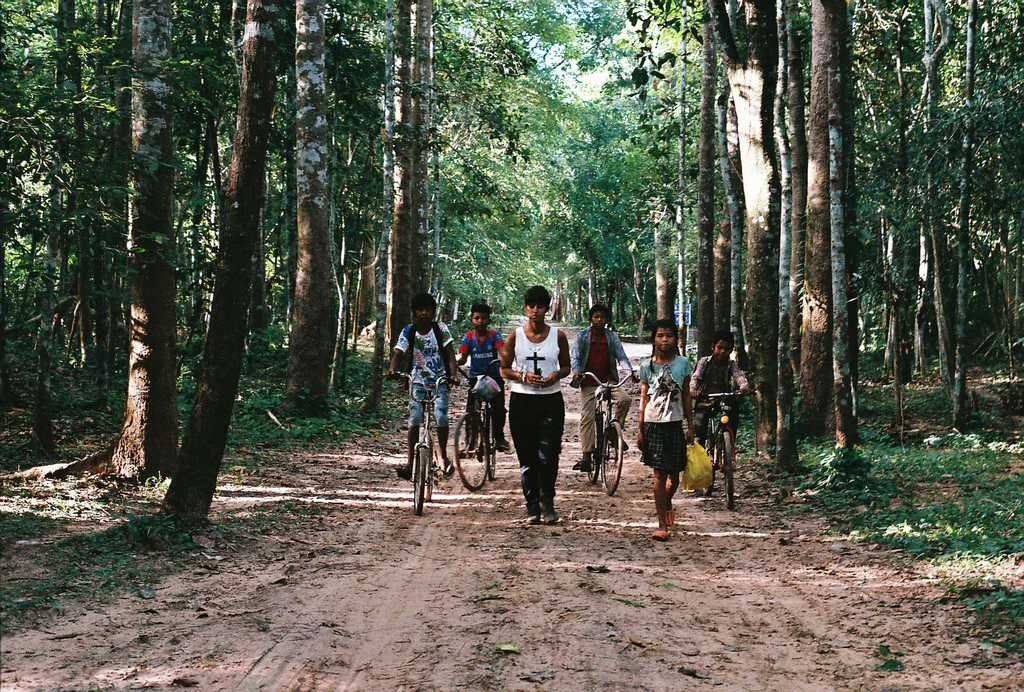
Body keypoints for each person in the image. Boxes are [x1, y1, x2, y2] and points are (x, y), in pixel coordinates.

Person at [500, 285, 571, 525]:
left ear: (547, 309)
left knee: (549, 454)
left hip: (550, 400)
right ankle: (531, 505)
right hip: (522, 400)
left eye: (541, 306)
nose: (536, 310)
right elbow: (504, 368)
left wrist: (555, 376)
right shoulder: (515, 336)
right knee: (527, 456)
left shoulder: (557, 336)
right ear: (525, 308)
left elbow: (566, 366)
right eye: (531, 306)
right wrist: (521, 376)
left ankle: (547, 501)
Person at [388, 292, 459, 481]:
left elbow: (450, 354)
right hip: (417, 381)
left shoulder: (441, 329)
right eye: (420, 310)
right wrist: (393, 369)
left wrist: (453, 374)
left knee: (441, 416)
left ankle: (442, 456)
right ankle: (411, 462)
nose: (424, 313)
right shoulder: (409, 331)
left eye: (428, 309)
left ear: (433, 312)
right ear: (414, 312)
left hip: (439, 380)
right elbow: (398, 352)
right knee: (414, 419)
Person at [636, 319, 694, 541]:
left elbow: (687, 395)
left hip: (675, 423)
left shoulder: (683, 364)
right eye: (660, 335)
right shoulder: (646, 366)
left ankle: (666, 502)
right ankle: (662, 523)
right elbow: (643, 399)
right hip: (654, 424)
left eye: (669, 335)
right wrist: (640, 429)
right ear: (654, 339)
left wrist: (691, 426)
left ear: (675, 339)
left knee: (675, 475)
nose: (664, 339)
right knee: (659, 473)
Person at [570, 304, 635, 473]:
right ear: (591, 319)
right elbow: (576, 357)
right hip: (589, 381)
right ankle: (586, 455)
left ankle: (614, 432)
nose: (599, 320)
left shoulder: (611, 337)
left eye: (602, 317)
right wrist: (577, 372)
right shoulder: (582, 336)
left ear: (607, 320)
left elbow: (622, 357)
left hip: (608, 382)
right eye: (596, 317)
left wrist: (630, 371)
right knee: (587, 417)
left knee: (625, 399)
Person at [456, 301, 510, 452]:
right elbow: (462, 357)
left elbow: (502, 352)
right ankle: (470, 442)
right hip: (475, 379)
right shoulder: (468, 338)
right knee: (471, 411)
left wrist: (506, 362)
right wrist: (452, 364)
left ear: (488, 320)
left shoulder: (494, 336)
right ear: (472, 319)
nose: (480, 321)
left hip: (493, 378)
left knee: (498, 409)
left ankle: (499, 438)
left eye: (484, 318)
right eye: (477, 318)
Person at [690, 330, 750, 449]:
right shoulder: (704, 362)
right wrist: (693, 389)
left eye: (727, 349)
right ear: (713, 347)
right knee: (700, 425)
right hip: (705, 397)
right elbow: (696, 377)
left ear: (731, 350)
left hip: (725, 397)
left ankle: (730, 444)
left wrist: (743, 386)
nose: (722, 351)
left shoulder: (731, 364)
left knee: (733, 414)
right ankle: (699, 450)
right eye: (720, 347)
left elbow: (738, 376)